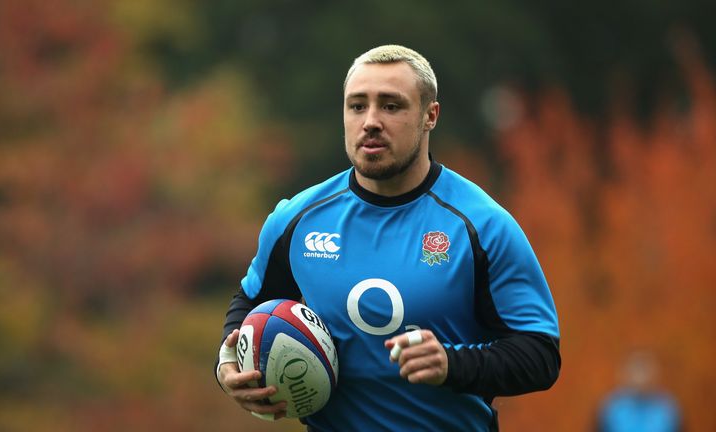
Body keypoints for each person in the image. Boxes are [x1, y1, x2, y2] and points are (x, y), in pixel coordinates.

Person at [215, 44, 560, 431]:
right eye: (357, 106)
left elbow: (540, 355)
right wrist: (229, 364)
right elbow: (250, 301)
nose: (371, 121)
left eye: (391, 106)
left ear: (430, 116)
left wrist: (452, 364)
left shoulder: (482, 226)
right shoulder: (296, 220)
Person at [597, 351, 682, 432]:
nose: (640, 377)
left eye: (645, 370)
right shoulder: (611, 408)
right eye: (636, 370)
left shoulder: (668, 409)